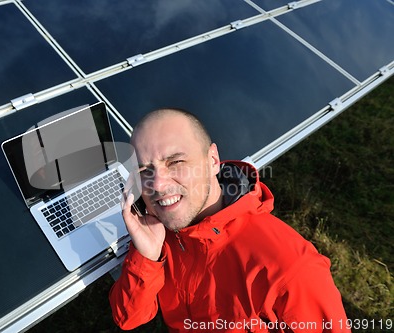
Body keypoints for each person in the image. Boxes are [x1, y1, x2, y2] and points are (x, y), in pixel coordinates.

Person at [109, 108, 350, 333]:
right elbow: (129, 318)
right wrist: (147, 257)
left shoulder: (292, 270)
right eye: (144, 170)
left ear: (213, 160)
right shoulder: (162, 228)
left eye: (176, 162)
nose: (158, 185)